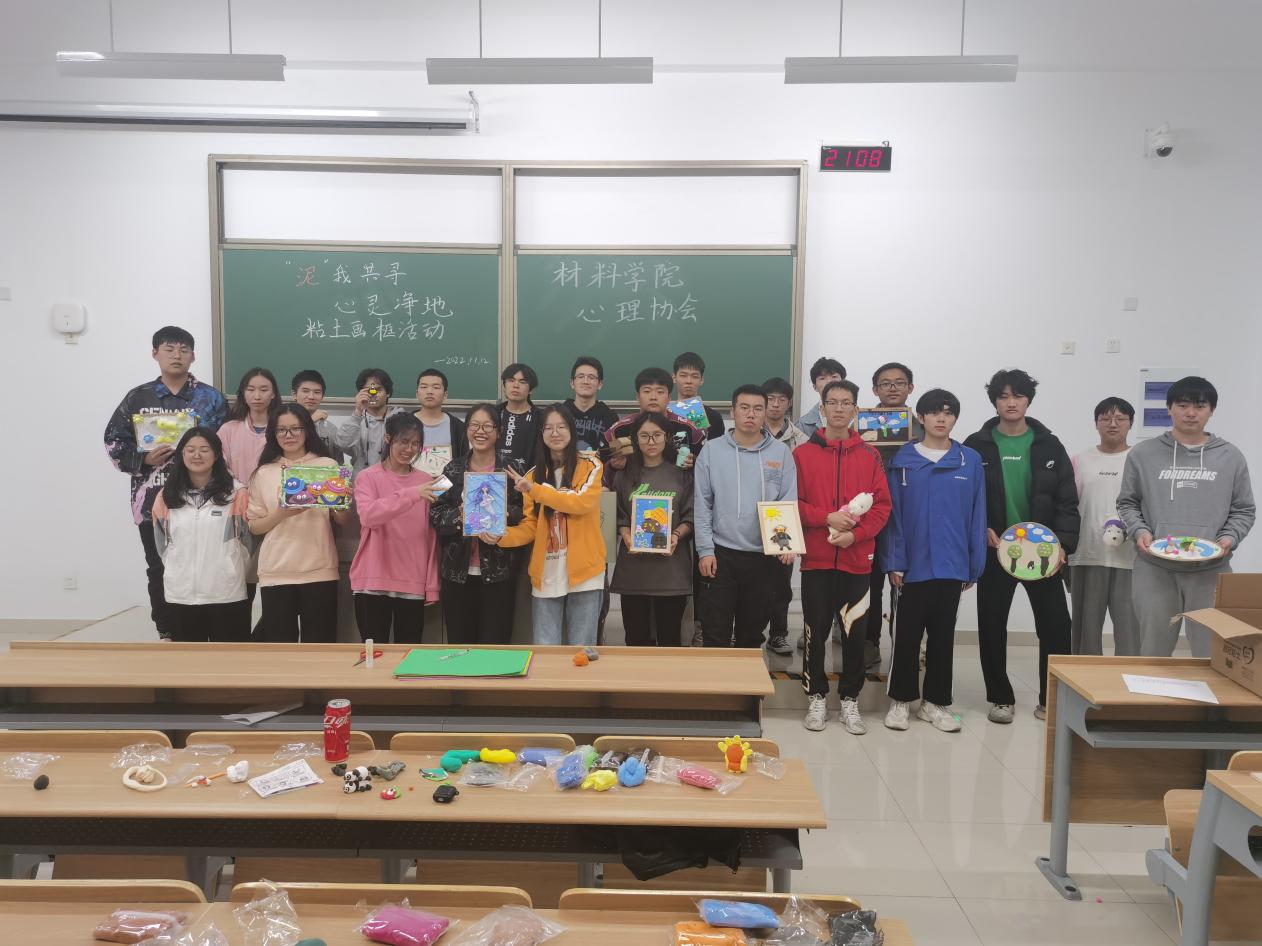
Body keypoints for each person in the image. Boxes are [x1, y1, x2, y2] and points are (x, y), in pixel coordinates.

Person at [964, 369, 1079, 723]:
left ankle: (1051, 699)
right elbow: (965, 497)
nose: (1010, 402)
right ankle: (1001, 698)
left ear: (1028, 400)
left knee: (1056, 626)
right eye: (1003, 396)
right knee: (992, 626)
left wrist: (1062, 545)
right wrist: (980, 528)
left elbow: (1066, 501)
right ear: (995, 402)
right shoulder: (976, 445)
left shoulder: (1049, 445)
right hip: (995, 549)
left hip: (1043, 553)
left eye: (1017, 395)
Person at [1117, 377, 1256, 657]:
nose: (1191, 413)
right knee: (1153, 652)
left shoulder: (1230, 456)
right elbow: (1127, 502)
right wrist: (1140, 531)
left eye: (1200, 406)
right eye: (1182, 405)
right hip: (1154, 569)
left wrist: (1229, 538)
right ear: (1169, 408)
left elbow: (1244, 509)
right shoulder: (1143, 454)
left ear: (1211, 410)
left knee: (1212, 653)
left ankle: (1209, 690)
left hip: (1210, 570)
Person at [104, 326, 227, 640]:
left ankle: (203, 631)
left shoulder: (211, 398)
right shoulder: (138, 397)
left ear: (193, 356)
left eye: (184, 350)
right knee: (159, 567)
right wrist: (143, 459)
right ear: (155, 353)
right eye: (169, 349)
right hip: (151, 501)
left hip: (204, 501)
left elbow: (225, 445)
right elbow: (113, 442)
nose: (177, 355)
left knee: (204, 565)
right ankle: (168, 631)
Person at [882, 389, 987, 733]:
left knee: (943, 638)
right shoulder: (903, 460)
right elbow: (894, 516)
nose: (942, 419)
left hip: (952, 564)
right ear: (921, 417)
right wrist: (895, 561)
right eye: (934, 412)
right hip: (912, 566)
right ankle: (900, 700)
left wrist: (974, 564)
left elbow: (977, 514)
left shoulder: (969, 460)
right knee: (907, 636)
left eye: (948, 412)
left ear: (955, 418)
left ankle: (935, 703)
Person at [794, 380, 891, 734]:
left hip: (857, 561)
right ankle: (816, 696)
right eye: (832, 402)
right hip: (817, 561)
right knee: (815, 630)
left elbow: (882, 506)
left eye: (845, 402)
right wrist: (826, 518)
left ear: (855, 410)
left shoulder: (870, 456)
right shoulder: (802, 455)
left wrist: (855, 535)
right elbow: (792, 503)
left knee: (855, 632)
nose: (838, 408)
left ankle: (850, 698)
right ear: (821, 408)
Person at [695, 385, 798, 649]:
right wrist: (705, 550)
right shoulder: (712, 450)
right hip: (721, 555)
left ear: (765, 413)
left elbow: (786, 501)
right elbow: (702, 503)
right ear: (733, 412)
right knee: (715, 633)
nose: (750, 414)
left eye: (757, 409)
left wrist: (787, 545)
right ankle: (717, 678)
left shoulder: (780, 453)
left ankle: (748, 679)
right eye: (744, 408)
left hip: (763, 557)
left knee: (751, 636)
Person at [492, 405, 605, 645]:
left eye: (561, 427)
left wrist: (535, 490)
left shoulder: (591, 464)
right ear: (541, 433)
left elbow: (581, 502)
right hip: (546, 573)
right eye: (548, 428)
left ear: (572, 430)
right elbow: (530, 526)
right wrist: (500, 536)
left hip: (585, 573)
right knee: (545, 650)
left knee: (582, 649)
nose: (555, 433)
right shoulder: (533, 475)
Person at [429, 404, 526, 644]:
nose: (480, 431)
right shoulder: (451, 468)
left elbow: (526, 512)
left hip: (499, 573)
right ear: (467, 430)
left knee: (495, 644)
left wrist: (504, 514)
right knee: (460, 644)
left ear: (498, 431)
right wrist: (458, 516)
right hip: (457, 573)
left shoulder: (513, 469)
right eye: (474, 425)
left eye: (487, 426)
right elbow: (434, 510)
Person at [247, 403, 343, 642]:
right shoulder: (264, 472)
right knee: (279, 649)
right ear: (273, 433)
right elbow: (254, 526)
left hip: (320, 569)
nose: (288, 435)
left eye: (295, 428)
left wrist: (340, 501)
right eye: (281, 430)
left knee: (321, 646)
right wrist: (281, 514)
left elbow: (342, 519)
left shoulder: (327, 466)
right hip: (276, 570)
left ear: (307, 430)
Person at [151, 427, 252, 643]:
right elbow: (162, 545)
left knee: (231, 661)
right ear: (182, 454)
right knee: (187, 662)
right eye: (190, 450)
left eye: (204, 450)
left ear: (216, 455)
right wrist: (178, 568)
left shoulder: (237, 494)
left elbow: (248, 543)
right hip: (181, 595)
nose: (197, 455)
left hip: (226, 594)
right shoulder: (166, 496)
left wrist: (230, 568)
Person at [350, 413, 442, 644]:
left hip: (412, 581)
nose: (409, 449)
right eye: (403, 441)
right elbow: (369, 516)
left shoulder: (427, 481)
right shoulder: (367, 477)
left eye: (416, 444)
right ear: (388, 439)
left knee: (409, 655)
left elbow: (431, 537)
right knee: (374, 655)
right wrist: (412, 494)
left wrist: (431, 585)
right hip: (372, 581)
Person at [859, 362, 923, 675]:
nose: (893, 388)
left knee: (908, 585)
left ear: (911, 387)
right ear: (875, 390)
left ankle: (906, 647)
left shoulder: (923, 428)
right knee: (869, 584)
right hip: (870, 516)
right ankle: (868, 643)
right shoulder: (861, 427)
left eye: (899, 382)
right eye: (885, 383)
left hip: (909, 518)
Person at [611, 412, 695, 646]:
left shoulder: (681, 473)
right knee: (636, 642)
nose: (651, 441)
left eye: (657, 435)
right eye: (644, 436)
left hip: (671, 573)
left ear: (666, 437)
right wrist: (625, 533)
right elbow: (617, 514)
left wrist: (676, 535)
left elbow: (691, 514)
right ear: (635, 439)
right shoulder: (623, 474)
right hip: (634, 573)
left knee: (670, 642)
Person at [1069, 397, 1140, 656]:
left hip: (1131, 556)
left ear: (1130, 423)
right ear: (1096, 423)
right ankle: (1085, 677)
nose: (1112, 424)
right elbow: (1068, 505)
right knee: (1085, 629)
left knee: (1130, 628)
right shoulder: (1080, 460)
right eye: (1105, 418)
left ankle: (1128, 677)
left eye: (1120, 418)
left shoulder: (1140, 459)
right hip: (1087, 554)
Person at [760, 377, 809, 656]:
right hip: (751, 517)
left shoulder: (801, 440)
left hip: (784, 518)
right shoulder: (750, 432)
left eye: (781, 399)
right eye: (770, 398)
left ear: (789, 403)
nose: (775, 404)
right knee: (752, 581)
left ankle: (778, 634)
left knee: (781, 582)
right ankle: (749, 632)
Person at [217, 367, 282, 485]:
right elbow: (219, 465)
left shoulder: (283, 430)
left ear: (273, 394)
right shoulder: (228, 430)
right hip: (235, 493)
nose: (257, 396)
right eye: (250, 390)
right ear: (243, 393)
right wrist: (238, 488)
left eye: (264, 390)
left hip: (272, 493)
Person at [336, 368, 403, 475]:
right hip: (361, 478)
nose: (373, 394)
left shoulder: (401, 420)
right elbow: (343, 444)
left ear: (388, 393)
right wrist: (358, 412)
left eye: (378, 389)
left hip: (392, 479)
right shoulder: (356, 420)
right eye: (368, 390)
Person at [412, 368, 468, 476]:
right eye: (424, 387)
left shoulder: (458, 427)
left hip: (448, 485)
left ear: (445, 395)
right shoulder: (402, 425)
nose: (429, 391)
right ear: (417, 394)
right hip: (411, 484)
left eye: (436, 387)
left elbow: (463, 462)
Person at [564, 356, 620, 453]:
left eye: (591, 377)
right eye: (580, 377)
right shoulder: (560, 414)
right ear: (572, 383)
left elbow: (614, 453)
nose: (586, 381)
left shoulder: (610, 417)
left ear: (600, 384)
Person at [497, 362, 541, 471]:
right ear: (504, 386)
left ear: (531, 389)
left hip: (528, 477)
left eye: (522, 382)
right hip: (494, 477)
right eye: (511, 380)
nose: (516, 385)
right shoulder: (493, 414)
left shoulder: (541, 418)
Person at [672, 352, 726, 440]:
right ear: (674, 378)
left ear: (701, 380)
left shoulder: (714, 417)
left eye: (694, 376)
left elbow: (718, 447)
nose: (689, 381)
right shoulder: (664, 414)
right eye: (683, 375)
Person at [291, 369, 339, 457]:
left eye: (317, 392)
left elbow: (337, 461)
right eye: (305, 391)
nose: (311, 397)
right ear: (294, 394)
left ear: (322, 396)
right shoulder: (282, 423)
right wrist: (311, 420)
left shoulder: (330, 429)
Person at [796, 357, 846, 440]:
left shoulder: (857, 418)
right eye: (822, 378)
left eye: (834, 377)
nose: (829, 382)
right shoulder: (803, 425)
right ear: (814, 387)